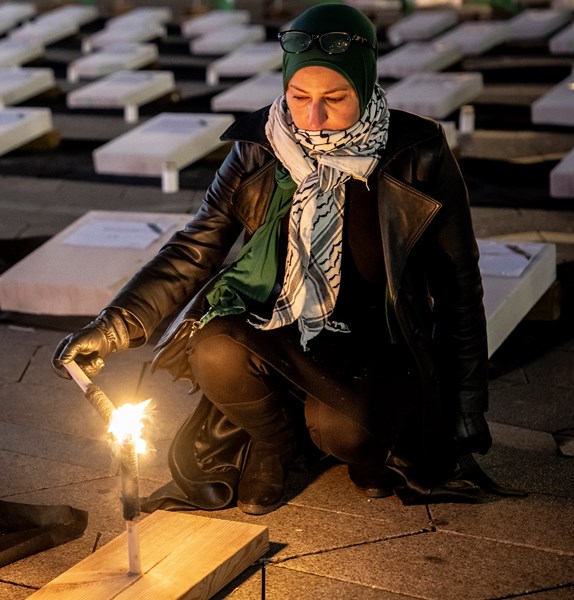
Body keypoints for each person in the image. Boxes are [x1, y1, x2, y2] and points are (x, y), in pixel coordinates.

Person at [51, 3, 513, 515]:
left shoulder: (417, 151)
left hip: (373, 343)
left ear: (364, 82)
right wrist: (112, 327)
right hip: (279, 324)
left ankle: (349, 436)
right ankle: (275, 443)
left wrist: (466, 411)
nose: (312, 118)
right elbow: (195, 246)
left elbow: (458, 288)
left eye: (334, 98)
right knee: (213, 348)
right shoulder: (260, 145)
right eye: (299, 97)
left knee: (347, 434)